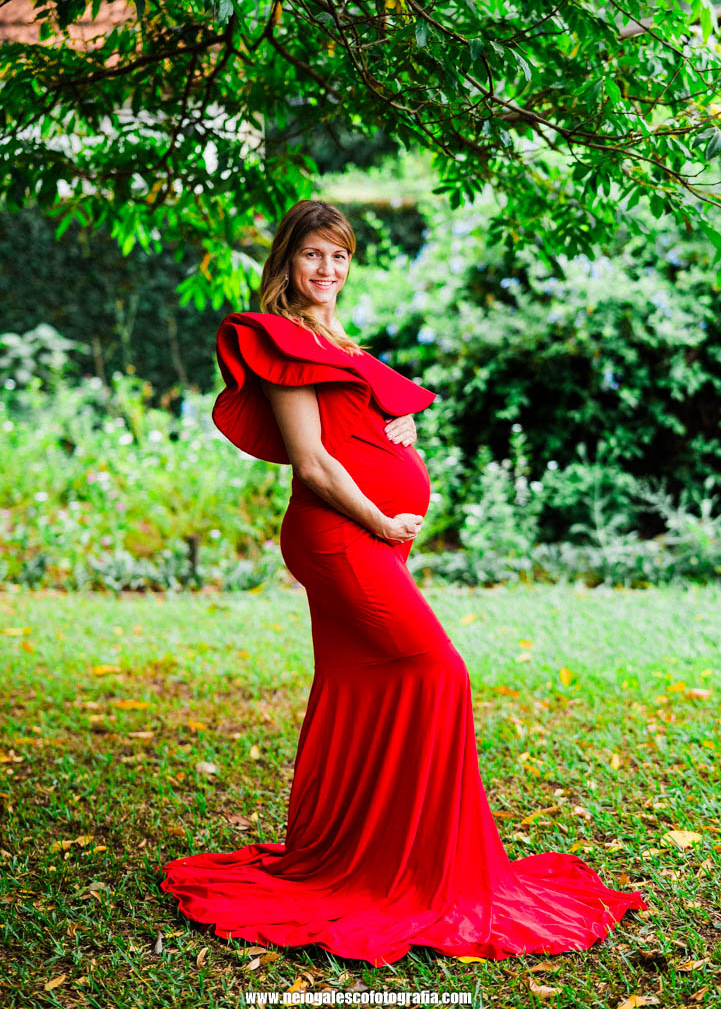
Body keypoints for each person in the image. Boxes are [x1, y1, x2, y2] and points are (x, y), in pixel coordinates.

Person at [157, 199, 648, 967]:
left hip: (373, 540)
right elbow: (313, 463)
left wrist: (400, 426)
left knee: (359, 685)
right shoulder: (278, 338)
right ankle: (417, 866)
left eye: (339, 256)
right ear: (286, 259)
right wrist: (381, 520)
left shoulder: (339, 341)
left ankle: (361, 851)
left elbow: (360, 417)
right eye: (313, 254)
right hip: (339, 535)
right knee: (437, 669)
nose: (327, 268)